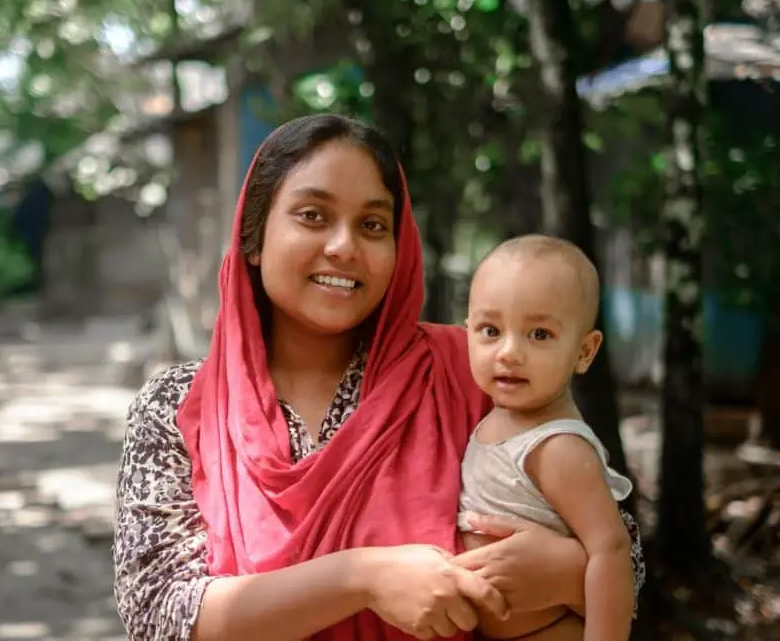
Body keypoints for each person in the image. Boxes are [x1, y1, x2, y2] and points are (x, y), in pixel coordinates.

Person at [113, 114, 645, 641]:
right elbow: (157, 611)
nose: (344, 247)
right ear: (254, 238)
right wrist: (364, 579)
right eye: (313, 216)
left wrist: (564, 570)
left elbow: (623, 553)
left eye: (372, 225)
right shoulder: (180, 405)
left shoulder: (475, 373)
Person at [456, 235, 635, 641]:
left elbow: (611, 552)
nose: (509, 352)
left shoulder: (557, 447)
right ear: (465, 332)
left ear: (584, 351)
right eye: (490, 330)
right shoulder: (496, 418)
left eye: (539, 335)